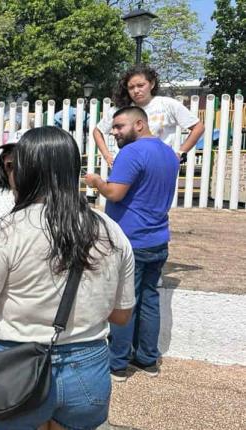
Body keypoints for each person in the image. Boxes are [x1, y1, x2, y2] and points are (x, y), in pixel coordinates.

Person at [0, 126, 135, 430]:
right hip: (87, 368)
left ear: (23, 172)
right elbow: (121, 315)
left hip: (13, 366)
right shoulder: (112, 232)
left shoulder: (5, 233)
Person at [85, 107, 179, 382]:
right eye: (113, 128)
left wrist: (97, 181)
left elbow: (115, 193)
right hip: (158, 238)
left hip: (131, 240)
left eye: (119, 127)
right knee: (149, 299)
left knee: (123, 301)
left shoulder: (132, 152)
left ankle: (117, 364)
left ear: (139, 124)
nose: (114, 133)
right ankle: (148, 359)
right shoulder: (168, 153)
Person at [94, 65, 204, 168]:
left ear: (152, 84)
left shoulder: (167, 105)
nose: (136, 91)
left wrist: (180, 153)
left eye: (141, 85)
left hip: (157, 166)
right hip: (126, 165)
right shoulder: (120, 109)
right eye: (131, 87)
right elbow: (97, 131)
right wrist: (106, 155)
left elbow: (198, 127)